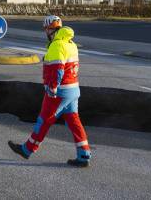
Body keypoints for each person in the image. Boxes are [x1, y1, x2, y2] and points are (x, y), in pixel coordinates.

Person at [8, 15, 92, 167]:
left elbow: (57, 69)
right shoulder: (70, 43)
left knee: (44, 120)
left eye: (46, 29)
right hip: (73, 90)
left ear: (51, 29)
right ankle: (84, 154)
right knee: (74, 122)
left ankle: (27, 149)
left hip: (59, 91)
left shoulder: (57, 45)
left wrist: (52, 88)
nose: (45, 32)